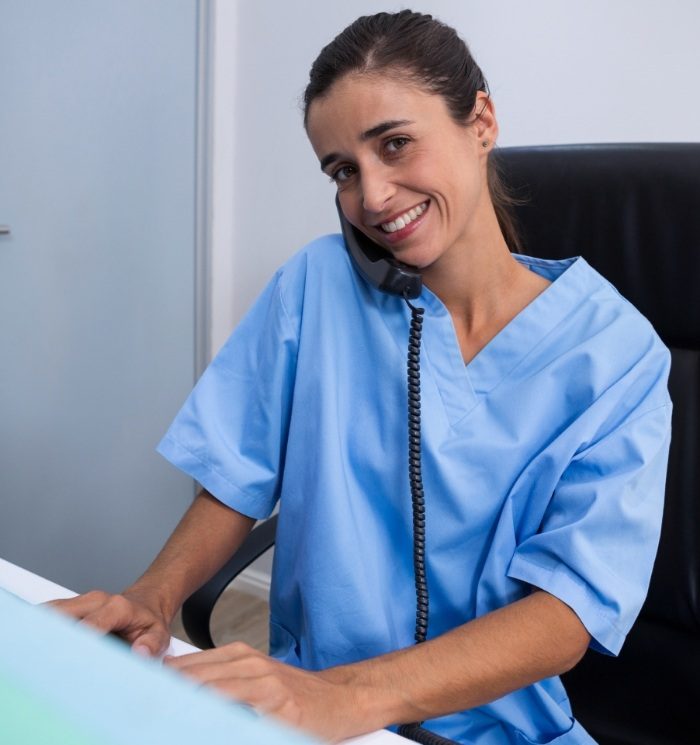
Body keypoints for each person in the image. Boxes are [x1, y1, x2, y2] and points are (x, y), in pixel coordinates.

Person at [52, 10, 672, 744]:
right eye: (344, 170)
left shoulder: (616, 355)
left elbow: (568, 611)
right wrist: (154, 597)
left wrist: (346, 697)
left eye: (396, 144)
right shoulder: (314, 284)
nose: (373, 197)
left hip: (494, 729)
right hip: (303, 711)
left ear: (481, 122)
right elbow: (234, 475)